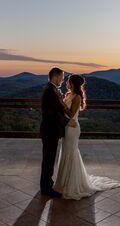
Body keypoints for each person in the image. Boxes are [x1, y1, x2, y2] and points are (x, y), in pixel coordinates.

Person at [53, 74, 120, 200]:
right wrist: (61, 100)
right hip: (66, 127)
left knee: (71, 153)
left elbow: (71, 113)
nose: (66, 83)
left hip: (72, 128)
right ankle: (63, 183)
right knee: (66, 153)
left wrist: (61, 103)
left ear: (73, 83)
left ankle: (72, 185)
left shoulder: (77, 97)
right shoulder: (68, 94)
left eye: (68, 81)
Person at [39, 67, 77, 197]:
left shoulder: (52, 89)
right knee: (48, 159)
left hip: (50, 130)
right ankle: (46, 188)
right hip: (50, 130)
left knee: (48, 159)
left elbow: (56, 110)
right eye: (61, 77)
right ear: (55, 77)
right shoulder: (50, 91)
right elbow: (52, 113)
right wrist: (67, 121)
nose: (62, 79)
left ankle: (46, 184)